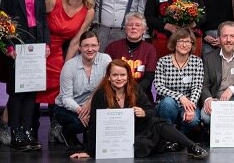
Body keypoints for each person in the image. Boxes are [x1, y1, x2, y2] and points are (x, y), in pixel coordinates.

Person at [68, 60, 208, 159]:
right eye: (115, 75)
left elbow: (151, 110)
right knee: (141, 146)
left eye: (123, 75)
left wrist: (144, 112)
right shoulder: (101, 95)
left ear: (128, 76)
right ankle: (165, 144)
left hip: (136, 128)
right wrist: (89, 151)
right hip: (114, 136)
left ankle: (191, 146)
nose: (119, 78)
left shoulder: (134, 89)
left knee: (158, 122)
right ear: (108, 77)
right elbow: (94, 124)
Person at [0, 0, 49, 152]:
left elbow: (42, 16)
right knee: (17, 91)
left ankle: (28, 131)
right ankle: (15, 130)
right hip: (15, 43)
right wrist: (7, 45)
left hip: (35, 43)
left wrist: (45, 42)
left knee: (32, 89)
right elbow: (1, 17)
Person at [38, 0, 96, 144]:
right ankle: (12, 126)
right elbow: (36, 23)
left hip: (60, 52)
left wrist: (67, 65)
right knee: (28, 88)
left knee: (60, 83)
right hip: (41, 46)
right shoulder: (53, 1)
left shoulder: (89, 11)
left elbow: (76, 40)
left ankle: (56, 128)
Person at [54, 31, 112, 148]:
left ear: (99, 46)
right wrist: (81, 111)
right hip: (68, 107)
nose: (90, 49)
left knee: (96, 120)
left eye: (93, 45)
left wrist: (90, 103)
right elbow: (66, 98)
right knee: (80, 123)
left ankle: (88, 134)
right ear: (79, 48)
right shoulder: (70, 66)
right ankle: (65, 132)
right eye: (86, 46)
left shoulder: (105, 59)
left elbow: (107, 85)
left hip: (92, 104)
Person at [154, 28, 204, 133]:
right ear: (174, 42)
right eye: (181, 41)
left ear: (192, 44)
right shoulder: (163, 61)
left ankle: (181, 138)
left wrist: (190, 106)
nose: (184, 45)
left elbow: (197, 87)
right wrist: (180, 97)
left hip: (189, 103)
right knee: (168, 103)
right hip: (167, 104)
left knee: (194, 120)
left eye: (188, 41)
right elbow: (159, 87)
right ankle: (168, 136)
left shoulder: (197, 62)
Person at [104, 12, 158, 101]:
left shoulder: (150, 49)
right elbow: (107, 74)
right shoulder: (112, 47)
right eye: (130, 25)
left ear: (144, 30)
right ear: (125, 28)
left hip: (140, 93)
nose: (133, 27)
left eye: (138, 25)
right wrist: (120, 92)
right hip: (115, 93)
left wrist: (131, 92)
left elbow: (149, 78)